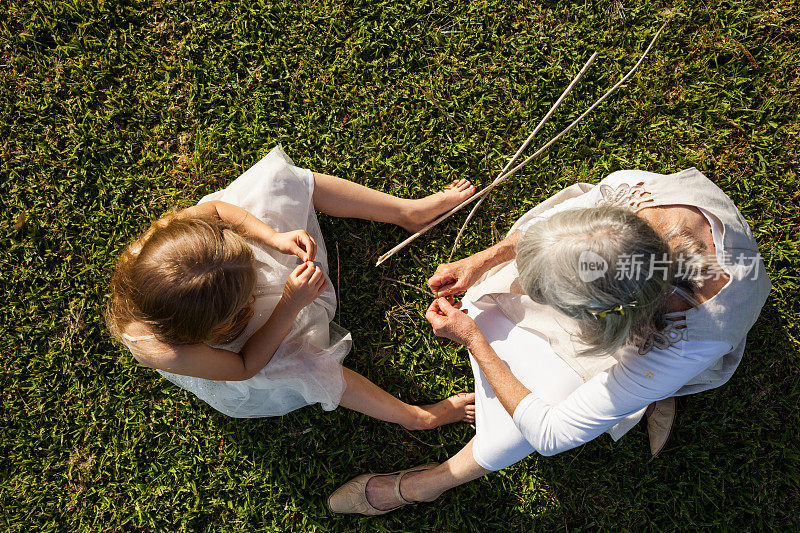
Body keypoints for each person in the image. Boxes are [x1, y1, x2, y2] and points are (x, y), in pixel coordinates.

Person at [327, 167, 771, 515]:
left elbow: (553, 433)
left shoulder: (687, 339)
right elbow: (557, 224)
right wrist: (482, 261)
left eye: (550, 297)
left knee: (517, 433)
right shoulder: (631, 200)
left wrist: (473, 339)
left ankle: (427, 484)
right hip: (624, 289)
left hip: (647, 342)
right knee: (487, 298)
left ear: (603, 317)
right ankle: (644, 394)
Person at [107, 145, 477, 428]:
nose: (261, 268)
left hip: (218, 289)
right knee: (302, 363)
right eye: (252, 281)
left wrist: (272, 238)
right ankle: (417, 417)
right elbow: (245, 366)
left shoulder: (159, 249)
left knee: (277, 181)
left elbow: (219, 212)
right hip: (240, 352)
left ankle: (406, 213)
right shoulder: (163, 349)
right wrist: (288, 304)